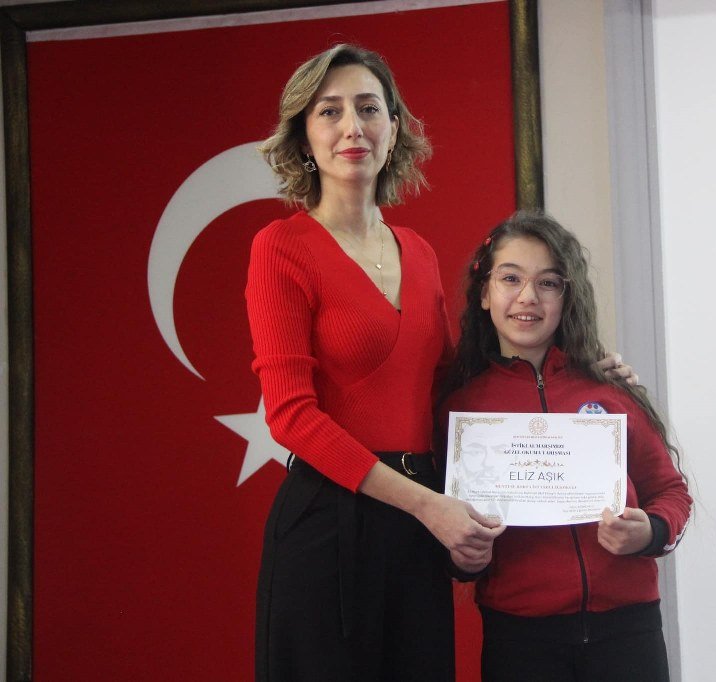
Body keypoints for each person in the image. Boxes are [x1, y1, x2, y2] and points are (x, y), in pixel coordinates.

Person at [247, 44, 636, 681]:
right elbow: (290, 416)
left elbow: (455, 386)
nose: (352, 127)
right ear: (304, 136)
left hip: (420, 521)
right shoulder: (280, 247)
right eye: (330, 111)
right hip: (331, 523)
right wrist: (427, 507)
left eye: (369, 108)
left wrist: (585, 377)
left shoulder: (418, 252)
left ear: (394, 127)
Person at [436, 210, 692, 682]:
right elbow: (444, 530)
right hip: (520, 638)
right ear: (484, 293)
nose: (528, 297)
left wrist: (650, 532)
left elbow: (672, 492)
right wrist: (464, 558)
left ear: (567, 297)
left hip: (628, 630)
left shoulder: (609, 391)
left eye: (549, 283)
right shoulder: (462, 410)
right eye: (510, 278)